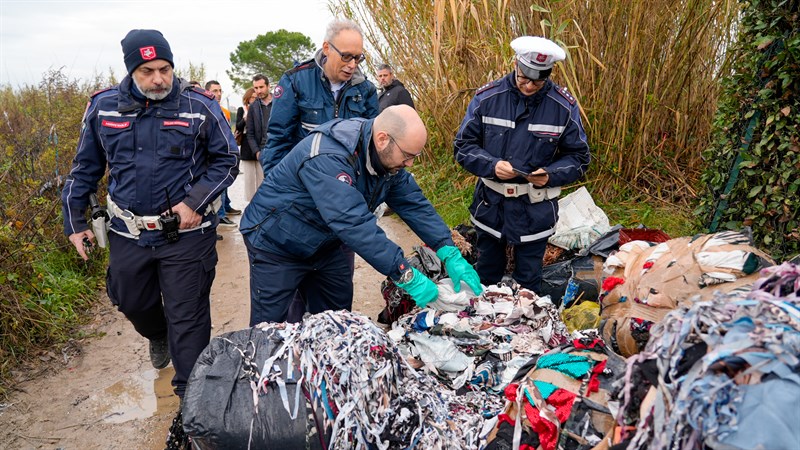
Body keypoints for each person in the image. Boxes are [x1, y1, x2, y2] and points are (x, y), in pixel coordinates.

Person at [61, 29, 239, 400]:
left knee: (187, 319)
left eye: (164, 69)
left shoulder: (200, 105)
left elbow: (228, 159)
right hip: (129, 234)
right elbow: (84, 168)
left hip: (187, 236)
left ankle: (191, 407)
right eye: (147, 71)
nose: (158, 79)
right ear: (130, 71)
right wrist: (75, 222)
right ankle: (158, 334)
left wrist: (194, 202)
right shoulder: (103, 106)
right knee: (130, 299)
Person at [240, 105, 482, 325]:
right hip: (278, 244)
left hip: (326, 243)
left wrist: (447, 248)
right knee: (270, 329)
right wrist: (405, 273)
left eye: (414, 157)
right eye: (407, 155)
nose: (409, 164)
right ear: (382, 139)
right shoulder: (329, 155)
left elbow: (414, 204)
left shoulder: (388, 161)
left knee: (336, 321)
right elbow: (353, 223)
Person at [454, 36, 590, 292]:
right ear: (516, 64)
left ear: (549, 74)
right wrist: (492, 165)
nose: (529, 85)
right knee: (485, 280)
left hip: (534, 212)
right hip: (491, 207)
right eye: (524, 77)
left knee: (529, 286)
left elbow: (579, 158)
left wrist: (550, 174)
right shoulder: (487, 98)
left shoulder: (563, 106)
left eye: (538, 80)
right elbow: (463, 146)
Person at [262, 18, 379, 173]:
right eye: (346, 56)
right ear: (326, 48)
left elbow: (372, 147)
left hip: (347, 183)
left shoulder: (366, 90)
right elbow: (278, 139)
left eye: (358, 58)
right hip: (305, 183)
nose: (352, 65)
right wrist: (275, 187)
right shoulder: (295, 81)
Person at [206, 79, 240, 226]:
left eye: (220, 91)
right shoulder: (205, 109)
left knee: (226, 183)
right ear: (207, 92)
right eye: (215, 91)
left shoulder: (224, 111)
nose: (218, 94)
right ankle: (220, 215)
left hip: (225, 152)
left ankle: (225, 207)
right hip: (212, 154)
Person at [236, 87, 262, 201]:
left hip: (259, 145)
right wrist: (245, 118)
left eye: (256, 98)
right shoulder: (241, 110)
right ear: (247, 98)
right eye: (252, 97)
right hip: (246, 146)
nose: (254, 100)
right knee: (249, 179)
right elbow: (238, 127)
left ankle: (262, 201)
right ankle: (251, 202)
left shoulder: (261, 109)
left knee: (262, 177)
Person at [246, 74, 272, 178]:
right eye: (256, 88)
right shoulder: (253, 107)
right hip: (263, 152)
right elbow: (250, 133)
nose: (258, 91)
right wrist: (257, 152)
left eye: (261, 87)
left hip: (280, 149)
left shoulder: (280, 102)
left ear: (268, 86)